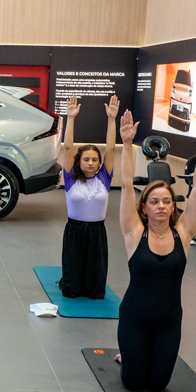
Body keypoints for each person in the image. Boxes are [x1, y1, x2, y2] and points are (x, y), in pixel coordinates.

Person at [116, 109, 196, 391]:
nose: (161, 205)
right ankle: (128, 356)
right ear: (144, 208)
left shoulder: (182, 233)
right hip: (134, 319)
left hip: (169, 322)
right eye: (154, 201)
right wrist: (126, 144)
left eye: (167, 201)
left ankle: (137, 357)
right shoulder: (134, 233)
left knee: (158, 385)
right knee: (134, 383)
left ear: (173, 207)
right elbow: (126, 186)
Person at [58, 94, 118, 299]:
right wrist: (71, 118)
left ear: (99, 162)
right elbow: (68, 147)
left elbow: (110, 148)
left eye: (94, 159)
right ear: (79, 161)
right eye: (86, 159)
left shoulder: (104, 178)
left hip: (97, 232)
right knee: (71, 290)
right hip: (74, 231)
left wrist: (111, 119)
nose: (91, 163)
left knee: (95, 290)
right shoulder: (70, 178)